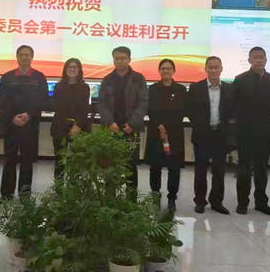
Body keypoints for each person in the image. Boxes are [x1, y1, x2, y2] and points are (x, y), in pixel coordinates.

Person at [233, 46, 270, 215]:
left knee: (262, 168)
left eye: (261, 57)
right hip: (245, 130)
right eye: (255, 57)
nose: (259, 60)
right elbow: (233, 105)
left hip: (266, 130)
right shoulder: (240, 79)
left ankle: (261, 202)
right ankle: (242, 203)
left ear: (266, 60)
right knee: (244, 168)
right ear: (249, 60)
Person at [0, 45, 49, 199]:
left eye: (27, 55)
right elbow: (2, 101)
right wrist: (12, 118)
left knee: (27, 162)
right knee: (9, 160)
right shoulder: (7, 77)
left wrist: (29, 115)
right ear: (17, 57)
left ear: (32, 57)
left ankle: (25, 195)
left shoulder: (39, 77)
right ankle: (6, 195)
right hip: (11, 125)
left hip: (30, 126)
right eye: (21, 55)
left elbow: (44, 101)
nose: (24, 57)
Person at [186, 56, 235, 215]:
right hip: (202, 135)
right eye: (210, 67)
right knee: (201, 171)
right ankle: (200, 201)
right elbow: (189, 110)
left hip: (220, 135)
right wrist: (198, 124)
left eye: (216, 67)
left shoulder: (229, 89)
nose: (213, 70)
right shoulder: (196, 88)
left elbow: (232, 111)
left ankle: (217, 202)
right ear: (205, 69)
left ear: (221, 69)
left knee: (219, 171)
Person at [98, 46, 148, 194]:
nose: (119, 61)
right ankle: (110, 198)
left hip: (131, 128)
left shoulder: (138, 78)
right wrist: (110, 123)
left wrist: (132, 124)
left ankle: (131, 199)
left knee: (130, 166)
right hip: (111, 128)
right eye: (116, 59)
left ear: (129, 59)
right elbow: (101, 103)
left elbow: (144, 102)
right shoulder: (107, 79)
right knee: (109, 165)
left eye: (122, 58)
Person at [146, 59, 186, 211]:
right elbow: (150, 109)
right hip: (155, 132)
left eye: (169, 68)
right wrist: (160, 126)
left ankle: (171, 199)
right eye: (163, 68)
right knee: (155, 168)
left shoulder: (181, 89)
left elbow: (183, 110)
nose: (166, 71)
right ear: (159, 71)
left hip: (175, 133)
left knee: (174, 169)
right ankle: (155, 197)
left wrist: (168, 127)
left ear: (174, 71)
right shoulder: (153, 89)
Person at [51, 58, 91, 180]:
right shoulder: (58, 86)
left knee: (76, 161)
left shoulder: (85, 87)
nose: (72, 69)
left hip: (79, 128)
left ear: (79, 70)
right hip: (60, 126)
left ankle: (74, 188)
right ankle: (59, 189)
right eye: (70, 67)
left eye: (75, 67)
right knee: (60, 160)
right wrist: (67, 125)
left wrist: (77, 126)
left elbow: (84, 109)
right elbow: (58, 107)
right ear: (65, 69)